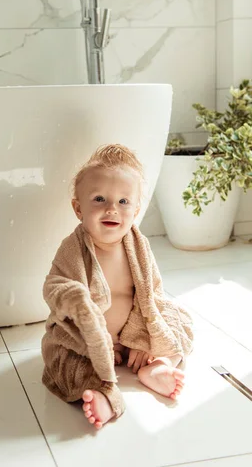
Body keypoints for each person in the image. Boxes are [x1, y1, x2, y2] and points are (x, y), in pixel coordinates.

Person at [41, 144, 193, 430]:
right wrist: (75, 302)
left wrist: (140, 337)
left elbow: (152, 295)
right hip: (87, 343)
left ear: (136, 210)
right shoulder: (72, 250)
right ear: (78, 208)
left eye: (124, 201)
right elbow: (55, 286)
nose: (112, 208)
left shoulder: (139, 246)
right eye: (99, 199)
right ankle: (102, 393)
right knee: (63, 360)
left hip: (132, 333)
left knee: (180, 320)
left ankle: (158, 366)